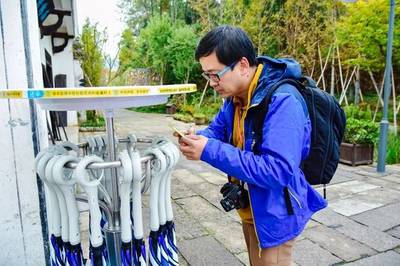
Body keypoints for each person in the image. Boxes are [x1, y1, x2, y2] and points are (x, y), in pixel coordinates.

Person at [177, 25, 327, 266]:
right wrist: (196, 138)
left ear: (243, 65)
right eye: (206, 75)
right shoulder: (235, 96)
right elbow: (217, 131)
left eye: (215, 74)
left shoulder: (283, 101)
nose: (212, 83)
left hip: (276, 211)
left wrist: (207, 149)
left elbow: (277, 170)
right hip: (252, 207)